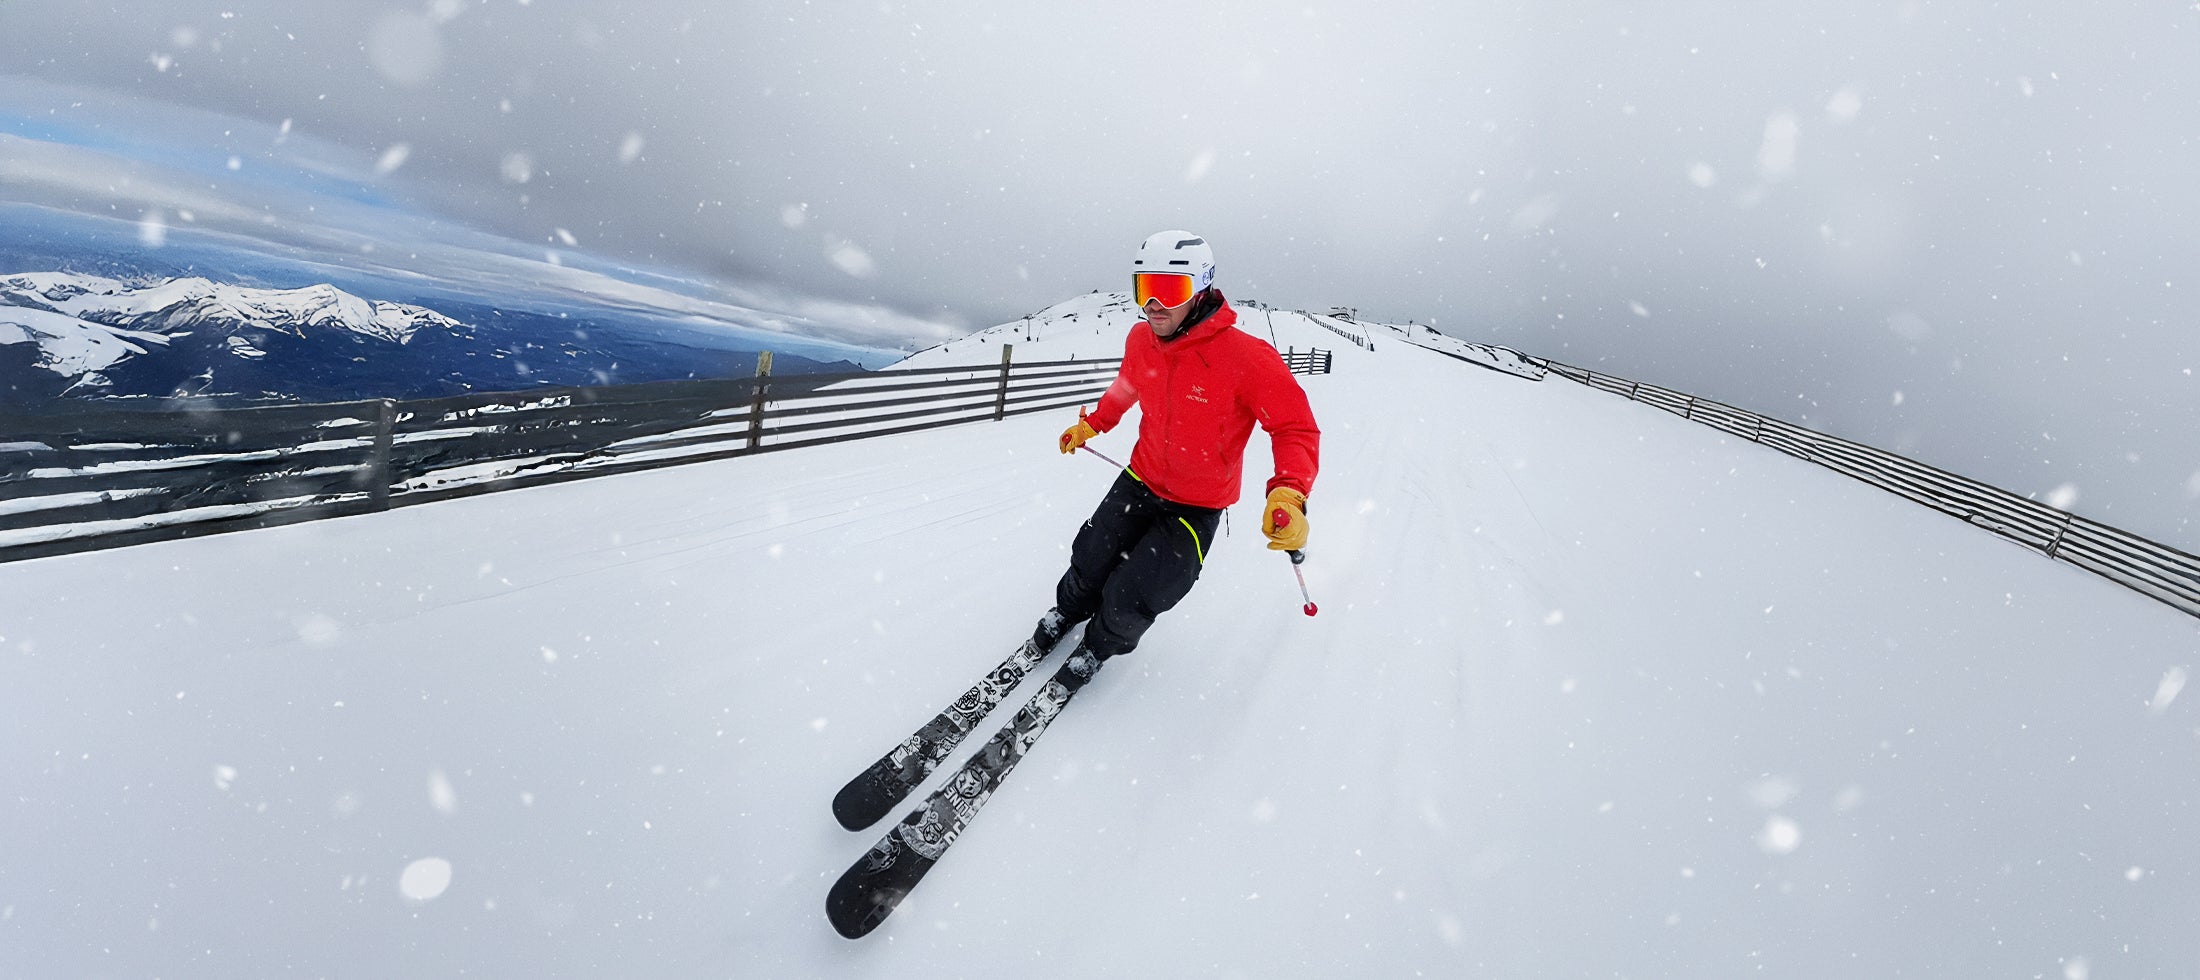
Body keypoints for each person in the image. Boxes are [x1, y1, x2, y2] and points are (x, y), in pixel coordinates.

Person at [1033, 230, 1321, 688]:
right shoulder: (1140, 339)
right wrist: (1095, 424)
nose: (1153, 305)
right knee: (1091, 554)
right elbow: (1128, 386)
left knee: (1140, 590)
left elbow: (1294, 427)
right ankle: (1067, 610)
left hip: (1197, 504)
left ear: (1201, 289)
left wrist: (1289, 489)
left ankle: (1098, 646)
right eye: (1144, 289)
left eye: (1169, 290)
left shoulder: (1247, 358)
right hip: (1139, 478)